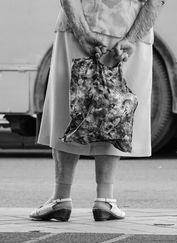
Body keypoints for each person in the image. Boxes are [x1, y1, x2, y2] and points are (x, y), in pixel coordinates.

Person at [30, 0, 164, 222]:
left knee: (70, 109)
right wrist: (130, 39)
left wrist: (82, 33)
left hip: (80, 24)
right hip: (130, 27)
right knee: (115, 110)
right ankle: (105, 199)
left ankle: (61, 198)